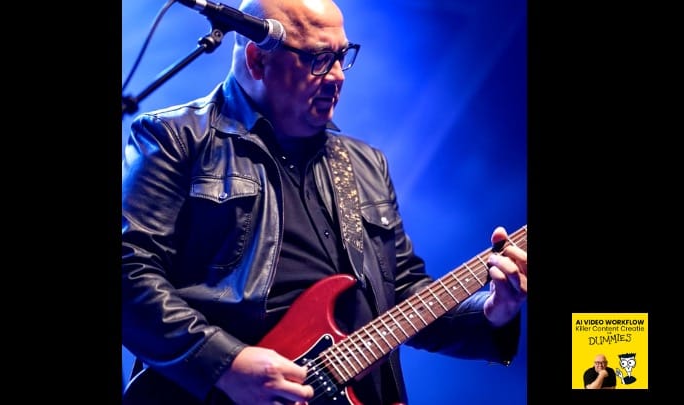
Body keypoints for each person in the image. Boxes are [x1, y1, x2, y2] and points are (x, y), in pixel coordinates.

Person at [121, 0, 528, 403]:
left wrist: (492, 311)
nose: (336, 76)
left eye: (341, 56)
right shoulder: (176, 139)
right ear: (258, 60)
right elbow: (129, 270)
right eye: (318, 59)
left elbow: (401, 293)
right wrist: (225, 363)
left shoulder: (365, 164)